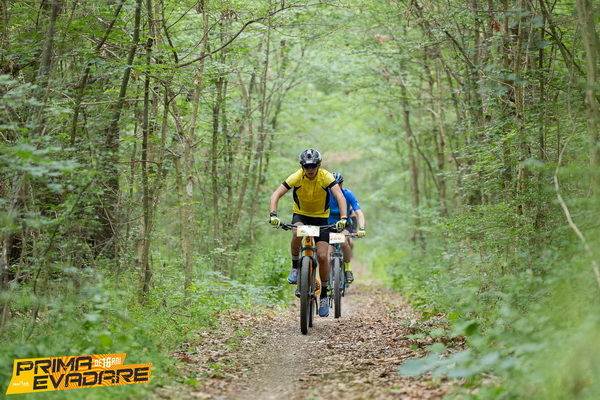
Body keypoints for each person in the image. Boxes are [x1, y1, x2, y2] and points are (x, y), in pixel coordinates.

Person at [269, 149, 348, 318]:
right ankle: (295, 267)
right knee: (296, 232)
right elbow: (276, 194)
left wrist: (343, 217)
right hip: (301, 215)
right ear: (302, 167)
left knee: (322, 256)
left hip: (321, 218)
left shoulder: (326, 177)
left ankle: (324, 294)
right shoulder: (297, 177)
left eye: (313, 166)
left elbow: (340, 196)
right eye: (307, 166)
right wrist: (273, 215)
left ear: (319, 165)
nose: (310, 169)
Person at [327, 172, 366, 283]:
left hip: (344, 226)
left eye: (338, 184)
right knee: (327, 255)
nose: (336, 187)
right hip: (328, 226)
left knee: (344, 242)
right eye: (333, 184)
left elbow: (359, 213)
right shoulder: (325, 194)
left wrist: (362, 228)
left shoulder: (348, 194)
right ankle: (327, 278)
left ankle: (348, 269)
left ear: (342, 184)